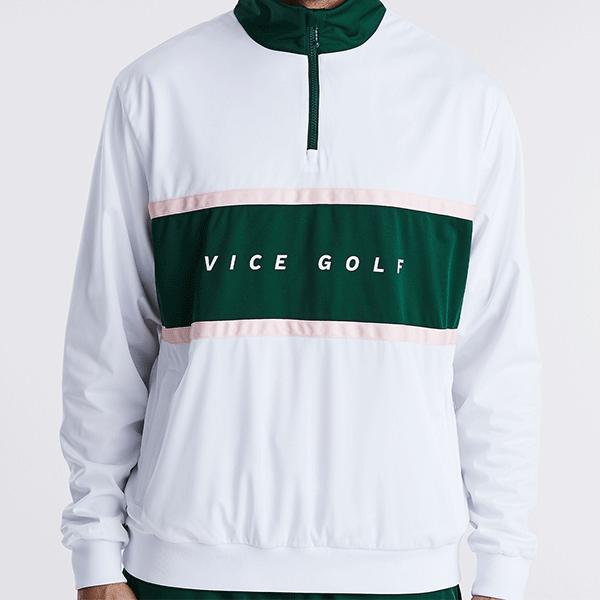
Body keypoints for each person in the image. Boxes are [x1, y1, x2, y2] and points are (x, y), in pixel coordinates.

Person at [60, 0, 542, 599]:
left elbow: (496, 354)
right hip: (183, 573)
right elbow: (108, 336)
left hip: (404, 576)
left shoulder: (466, 102)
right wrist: (95, 553)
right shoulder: (155, 89)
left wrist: (503, 564)